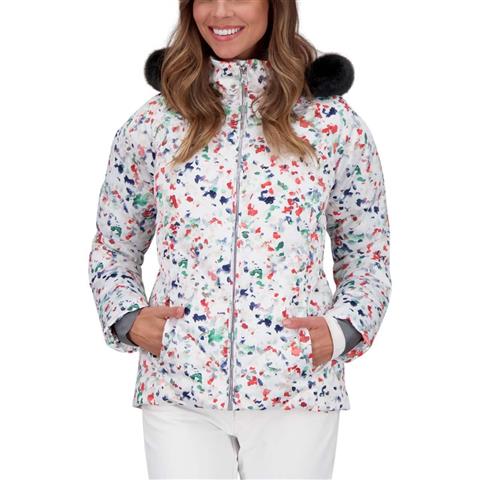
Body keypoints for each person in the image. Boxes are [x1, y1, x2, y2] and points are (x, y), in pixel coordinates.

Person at [88, 0, 392, 478]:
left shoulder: (331, 123)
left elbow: (367, 253)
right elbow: (113, 247)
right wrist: (129, 318)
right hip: (178, 386)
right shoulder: (154, 122)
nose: (221, 11)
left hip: (297, 388)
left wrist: (341, 332)